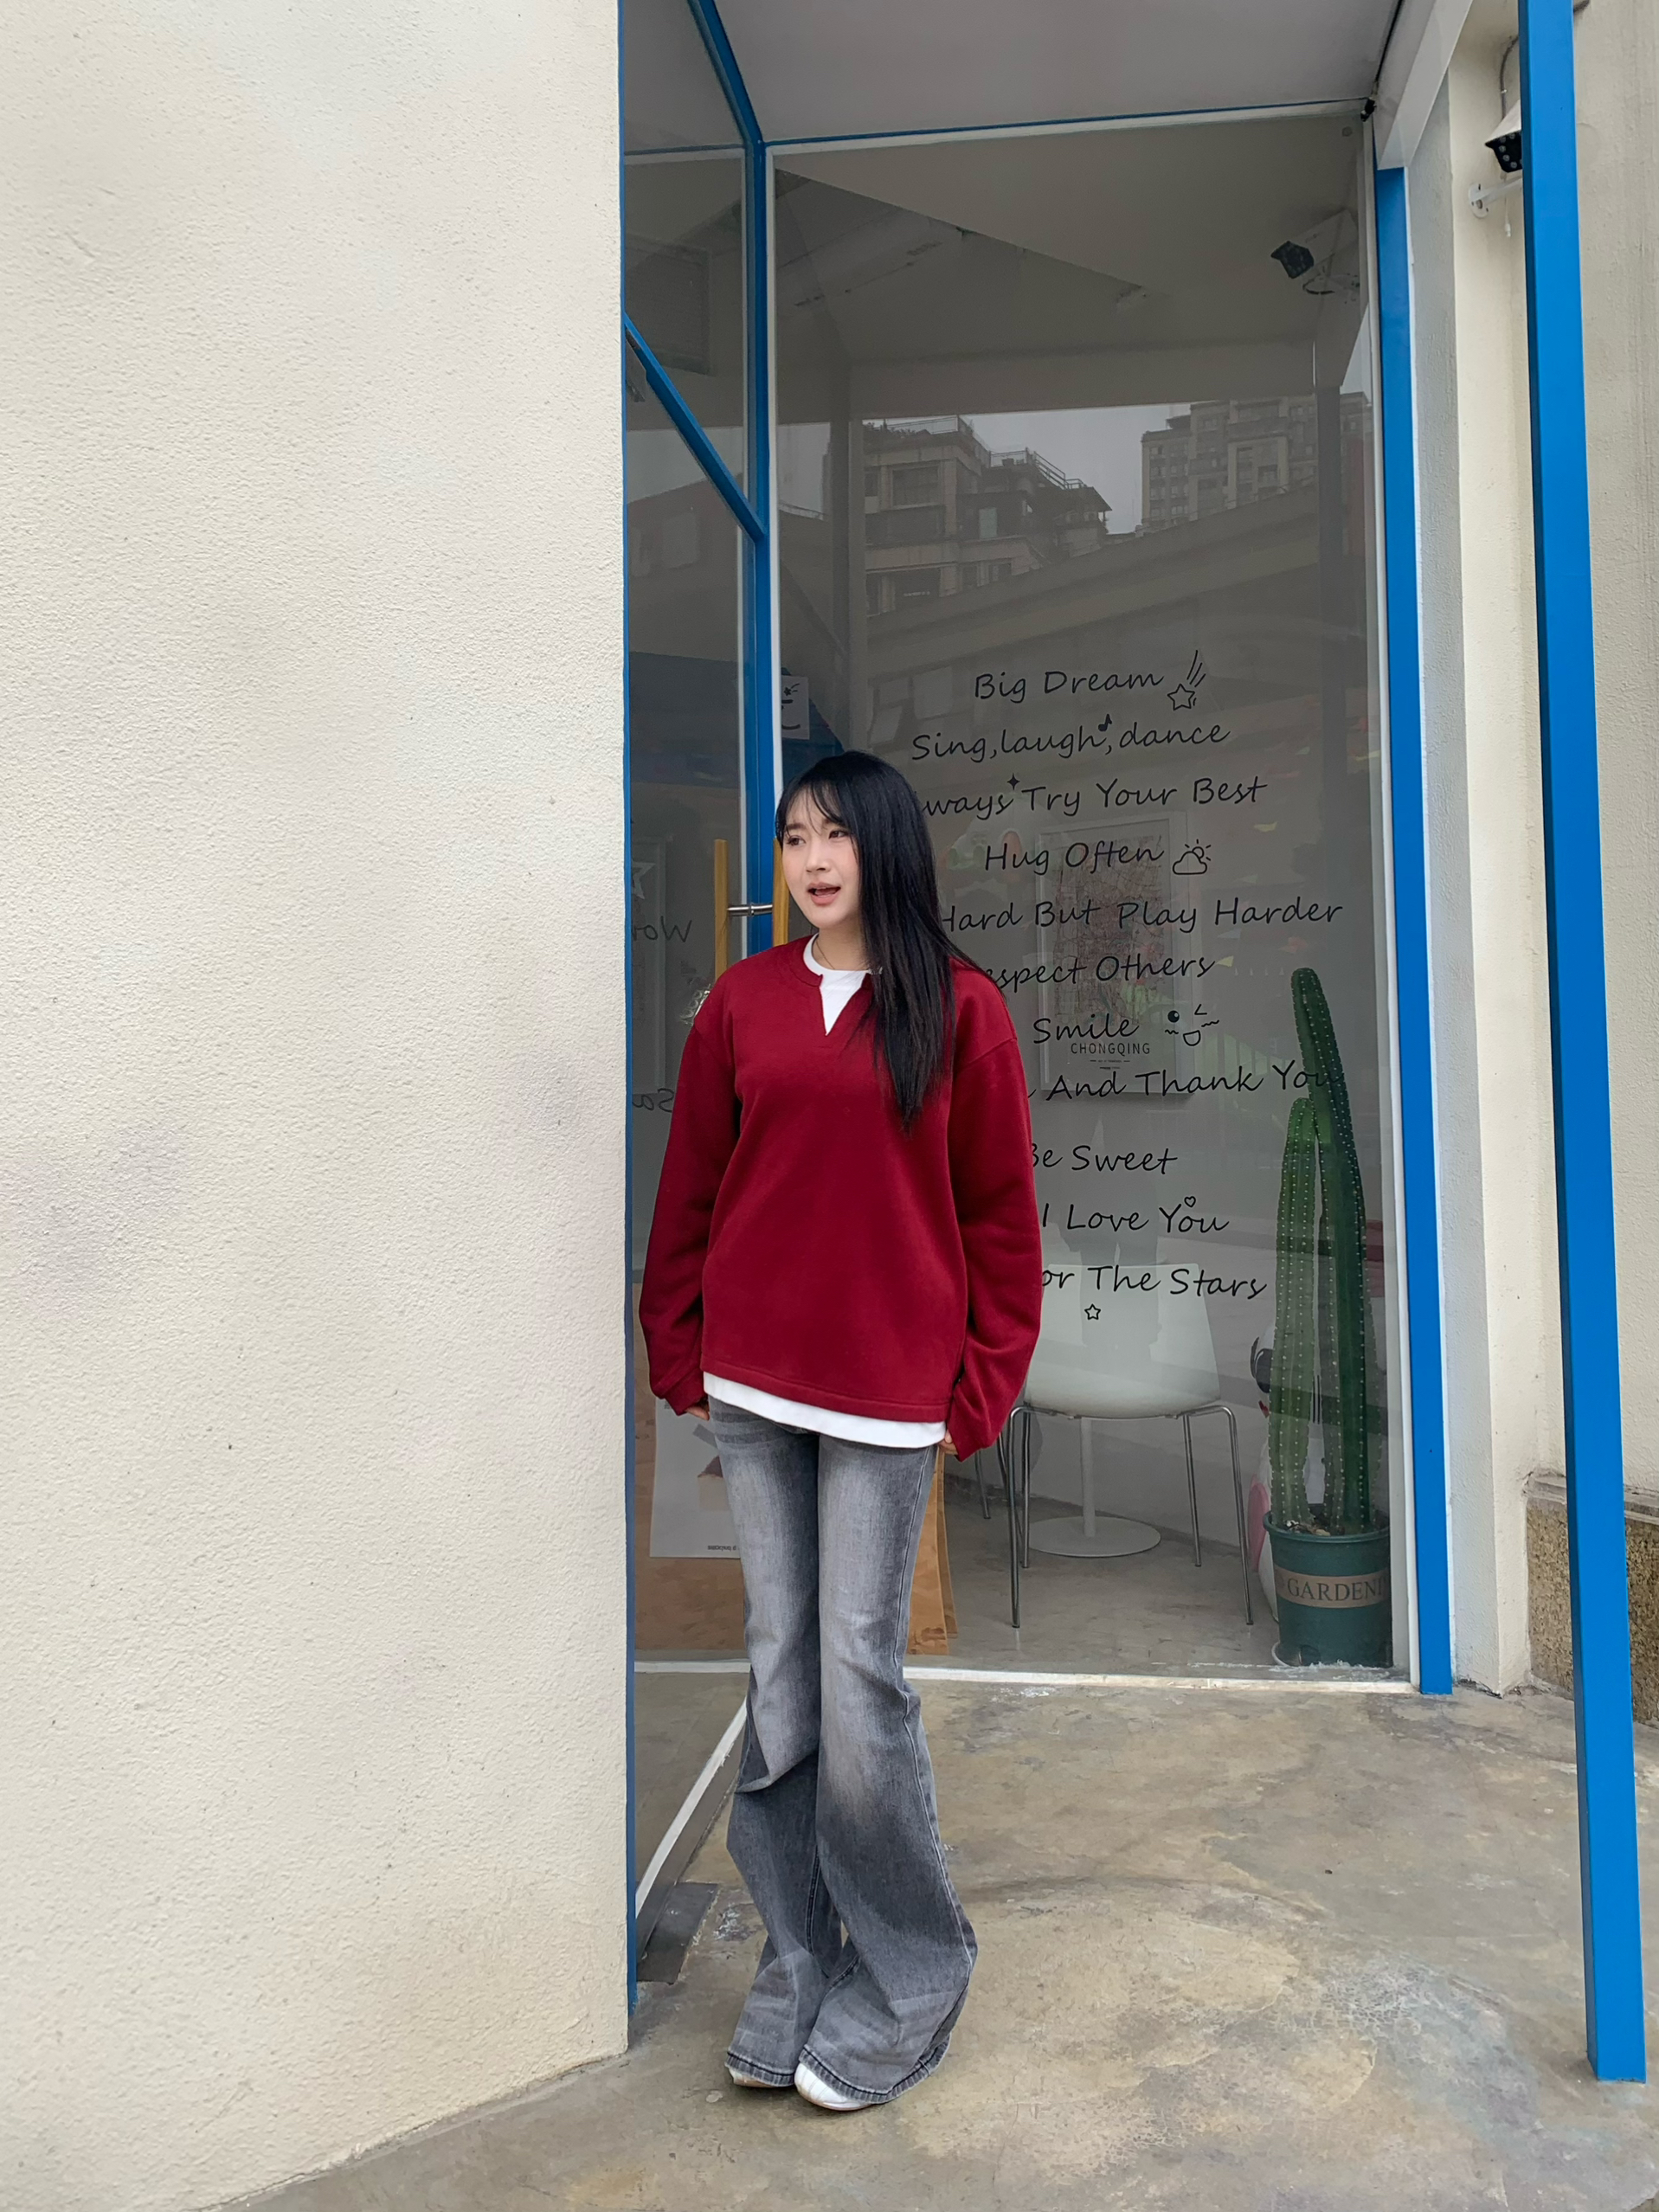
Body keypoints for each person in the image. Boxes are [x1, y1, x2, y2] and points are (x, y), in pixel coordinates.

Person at [640, 749, 1042, 2112]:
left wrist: (978, 1386)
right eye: (793, 837)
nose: (812, 860)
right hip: (755, 1390)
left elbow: (1000, 1217)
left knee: (860, 1682)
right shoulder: (740, 1004)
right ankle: (799, 1955)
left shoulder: (960, 1009)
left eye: (836, 836)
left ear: (885, 850)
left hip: (883, 1398)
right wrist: (676, 1343)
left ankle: (914, 1972)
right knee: (781, 1679)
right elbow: (692, 1183)